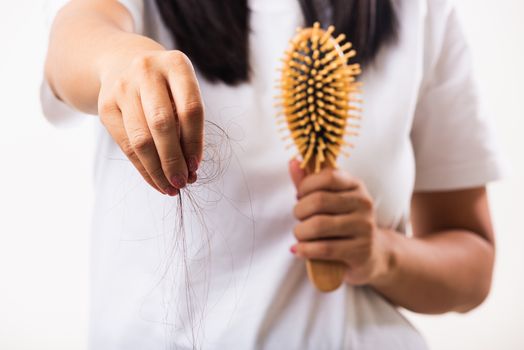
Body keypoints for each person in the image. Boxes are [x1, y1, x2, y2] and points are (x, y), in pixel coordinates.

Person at [41, 0, 504, 349]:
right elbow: (74, 40)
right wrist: (118, 57)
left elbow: (472, 260)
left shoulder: (421, 11)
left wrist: (383, 254)